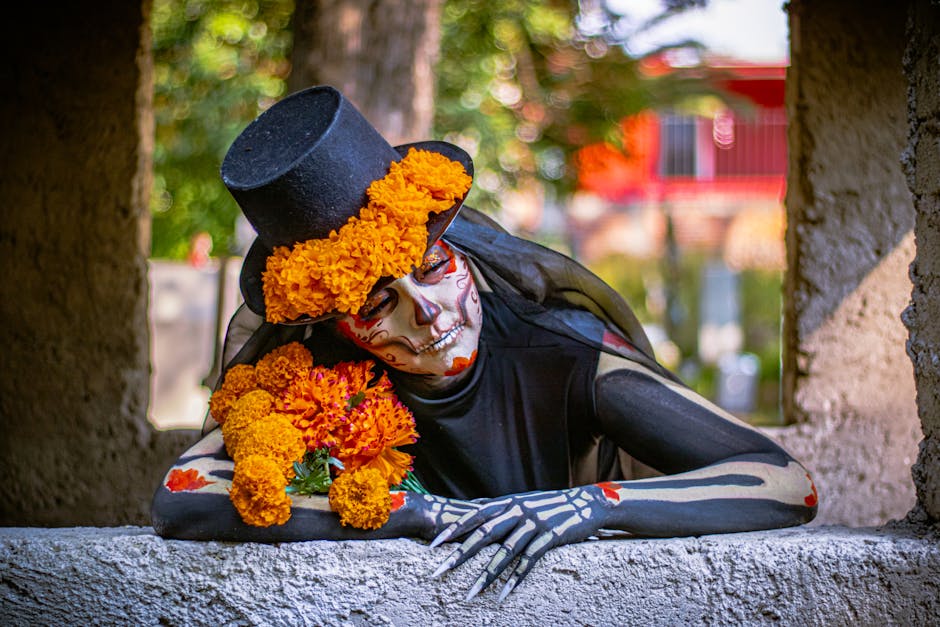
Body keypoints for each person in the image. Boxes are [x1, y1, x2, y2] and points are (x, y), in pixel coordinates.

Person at [152, 85, 817, 600]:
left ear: (461, 252)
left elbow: (785, 482)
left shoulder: (562, 355)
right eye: (377, 303)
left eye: (433, 267)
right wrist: (410, 513)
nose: (427, 311)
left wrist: (588, 505)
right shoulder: (309, 377)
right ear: (334, 323)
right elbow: (184, 492)